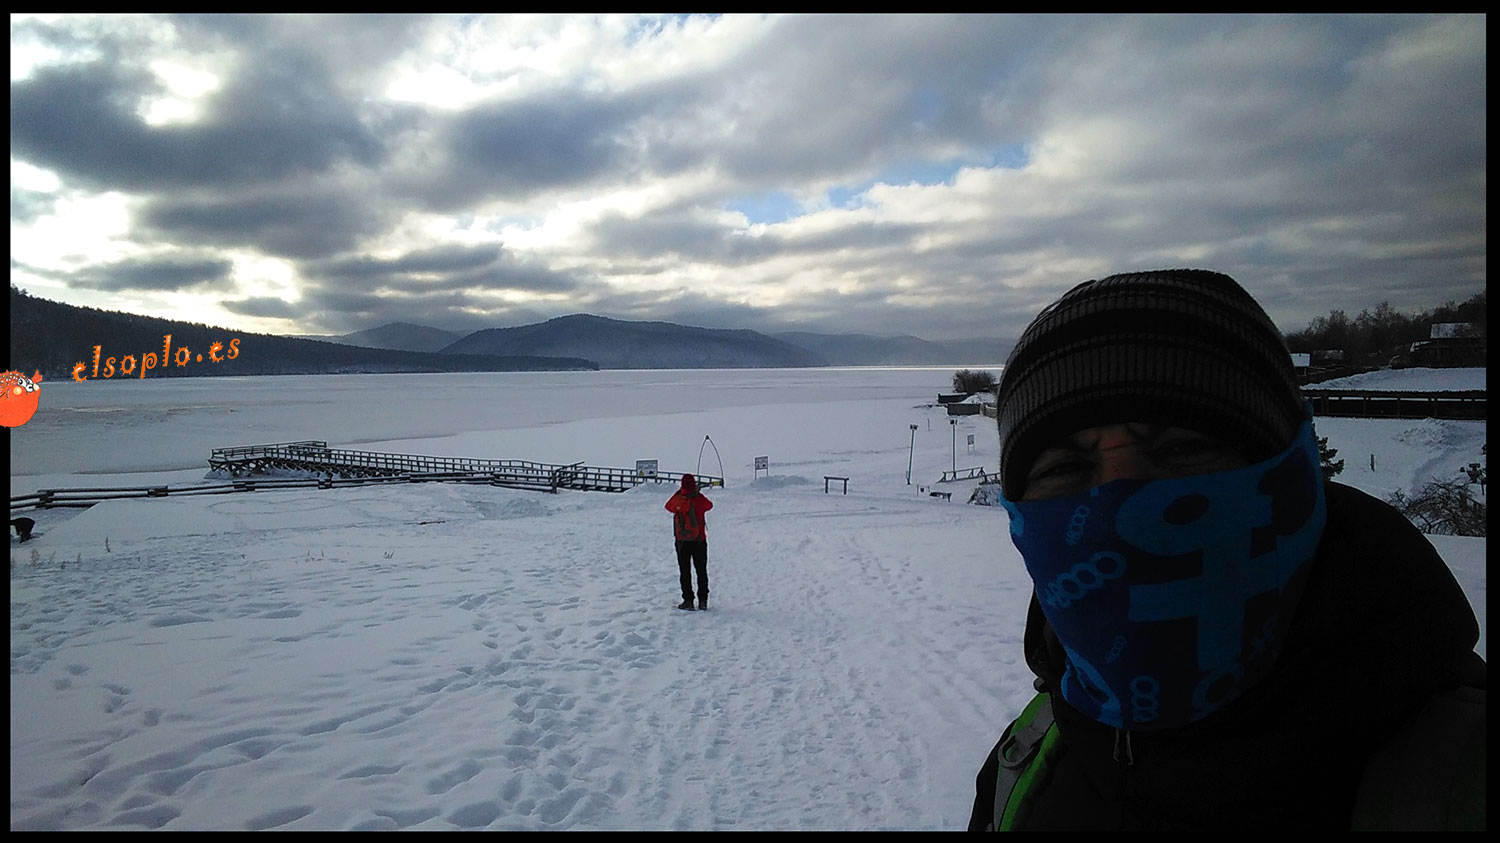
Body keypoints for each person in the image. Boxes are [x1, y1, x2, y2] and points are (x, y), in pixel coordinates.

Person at [968, 269, 1485, 831]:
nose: (1123, 508)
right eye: (1065, 467)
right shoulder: (1028, 764)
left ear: (1291, 476)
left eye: (1181, 449)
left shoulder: (1460, 774)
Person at [666, 473, 713, 610]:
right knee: (701, 570)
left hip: (682, 540)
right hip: (699, 540)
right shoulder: (699, 499)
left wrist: (680, 493)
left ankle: (688, 600)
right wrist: (697, 493)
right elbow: (709, 505)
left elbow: (668, 506)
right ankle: (703, 601)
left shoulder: (678, 498)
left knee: (684, 571)